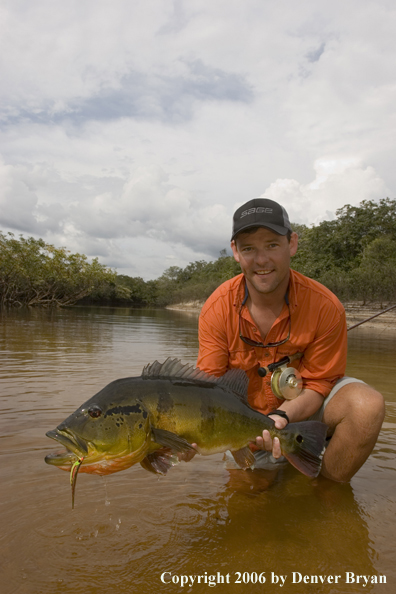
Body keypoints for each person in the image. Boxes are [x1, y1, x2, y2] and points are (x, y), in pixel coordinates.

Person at [196, 198, 385, 482]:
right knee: (251, 506)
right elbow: (207, 389)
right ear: (235, 251)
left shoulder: (325, 306)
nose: (261, 260)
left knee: (367, 406)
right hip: (244, 426)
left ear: (292, 243)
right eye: (249, 248)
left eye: (272, 245)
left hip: (302, 411)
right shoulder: (216, 309)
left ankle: (328, 494)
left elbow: (320, 384)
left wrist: (281, 417)